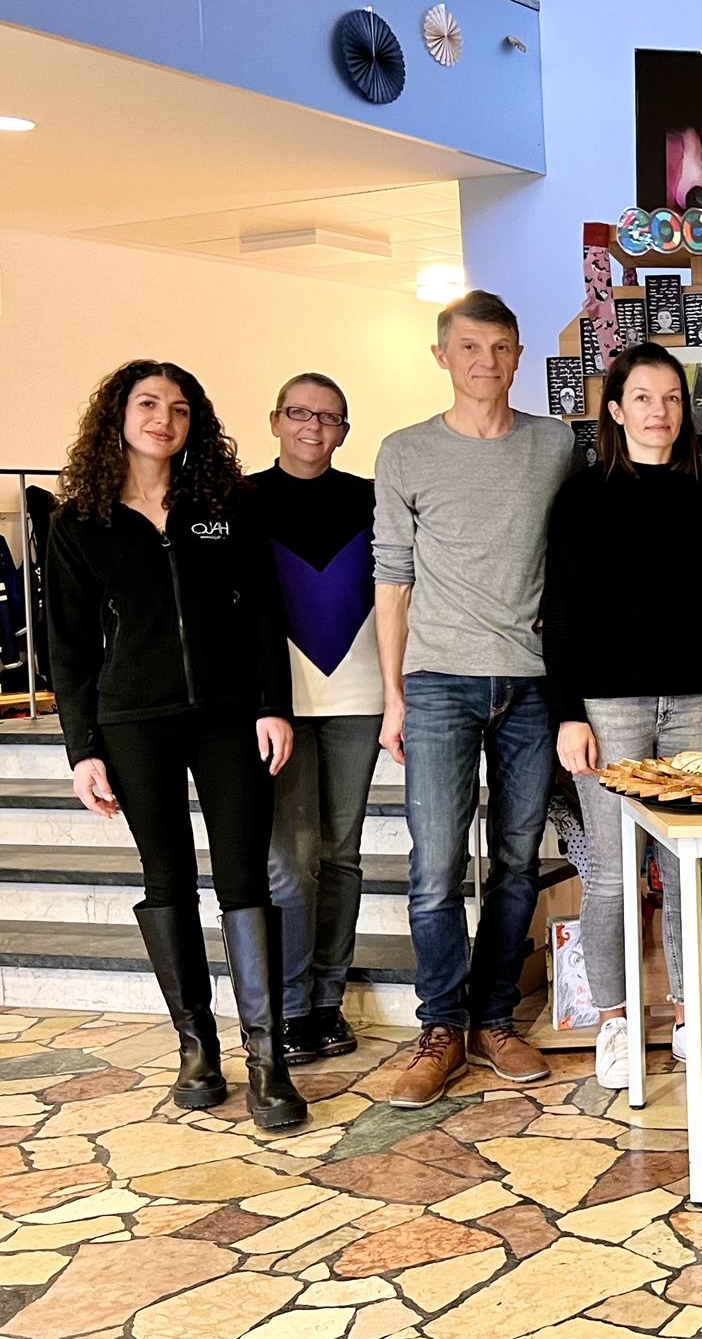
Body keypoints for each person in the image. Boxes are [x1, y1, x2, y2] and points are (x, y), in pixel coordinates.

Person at [44, 361, 306, 1131]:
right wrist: (82, 748)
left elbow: (263, 612)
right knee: (166, 880)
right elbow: (68, 648)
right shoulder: (79, 522)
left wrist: (273, 706)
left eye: (180, 408)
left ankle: (268, 1060)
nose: (164, 418)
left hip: (229, 717)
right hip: (133, 722)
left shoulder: (223, 506)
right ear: (118, 416)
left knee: (244, 880)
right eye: (149, 403)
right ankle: (197, 1049)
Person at [375, 291, 577, 1108]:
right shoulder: (406, 451)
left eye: (499, 347)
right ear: (442, 356)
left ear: (518, 355)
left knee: (517, 864)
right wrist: (393, 695)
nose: (484, 362)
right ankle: (440, 1029)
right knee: (435, 869)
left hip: (530, 681)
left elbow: (577, 556)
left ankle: (495, 1018)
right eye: (468, 347)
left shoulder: (555, 444)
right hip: (437, 684)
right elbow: (393, 577)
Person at [546, 343, 702, 1089]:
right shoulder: (582, 495)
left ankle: (695, 1021)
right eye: (642, 397)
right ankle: (616, 1023)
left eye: (670, 398)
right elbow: (560, 611)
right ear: (615, 409)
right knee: (611, 873)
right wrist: (568, 714)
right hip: (608, 709)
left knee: (688, 865)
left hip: (698, 703)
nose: (659, 411)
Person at [248, 374, 380, 1068]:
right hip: (278, 708)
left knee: (342, 855)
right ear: (276, 419)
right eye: (299, 413)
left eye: (329, 417)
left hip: (359, 698)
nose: (313, 427)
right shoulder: (240, 499)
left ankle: (328, 1001)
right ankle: (291, 1006)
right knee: (290, 865)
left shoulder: (370, 498)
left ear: (344, 431)